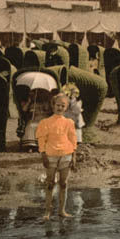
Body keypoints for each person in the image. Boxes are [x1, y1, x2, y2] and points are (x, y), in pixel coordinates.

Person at [37, 92, 78, 220]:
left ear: (66, 107)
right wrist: (43, 155)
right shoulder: (45, 122)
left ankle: (61, 211)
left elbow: (73, 139)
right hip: (51, 155)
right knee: (50, 184)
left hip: (66, 155)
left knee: (64, 183)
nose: (60, 108)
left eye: (63, 106)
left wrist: (74, 156)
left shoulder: (69, 122)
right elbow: (41, 139)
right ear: (53, 106)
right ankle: (47, 212)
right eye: (58, 105)